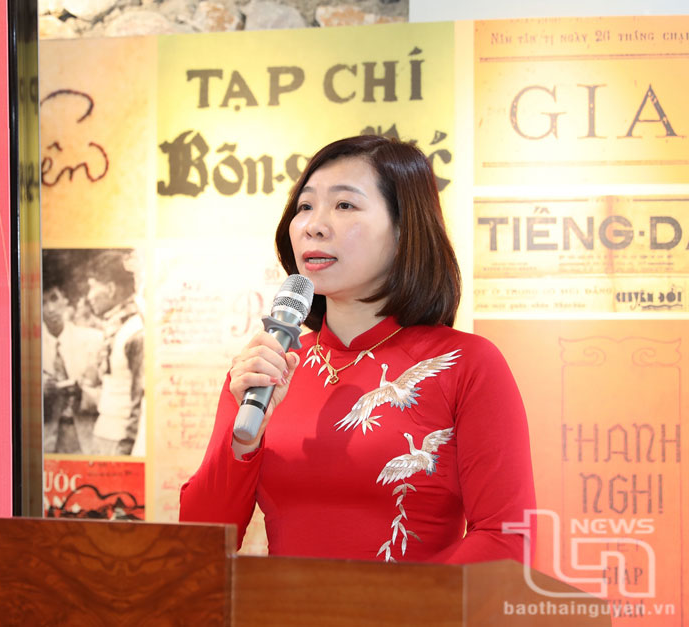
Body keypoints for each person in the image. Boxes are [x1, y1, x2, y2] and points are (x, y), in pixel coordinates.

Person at [179, 135, 536, 564]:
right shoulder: (265, 367)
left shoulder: (468, 364)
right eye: (305, 206)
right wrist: (242, 445)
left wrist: (380, 607)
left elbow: (506, 538)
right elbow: (200, 543)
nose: (313, 225)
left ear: (405, 229)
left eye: (344, 205)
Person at [85, 251, 145, 457]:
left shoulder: (136, 332)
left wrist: (125, 451)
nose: (89, 296)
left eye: (92, 286)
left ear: (110, 289)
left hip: (120, 444)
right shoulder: (115, 328)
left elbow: (140, 401)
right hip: (104, 435)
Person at [42, 284, 104, 454]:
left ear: (65, 299)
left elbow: (112, 397)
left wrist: (82, 394)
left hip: (86, 440)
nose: (50, 309)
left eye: (54, 298)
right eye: (42, 302)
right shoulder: (26, 348)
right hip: (45, 445)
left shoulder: (93, 340)